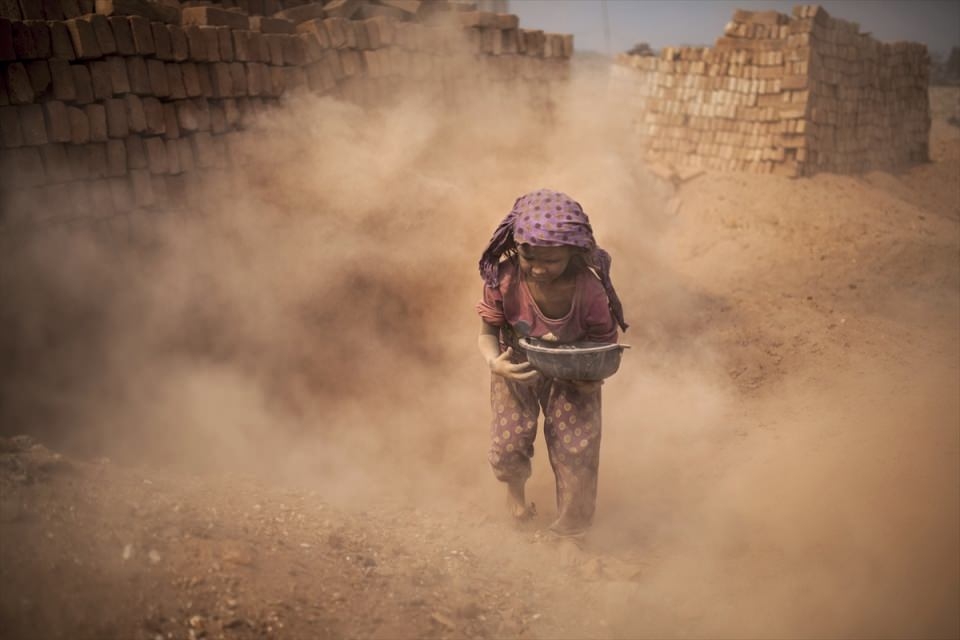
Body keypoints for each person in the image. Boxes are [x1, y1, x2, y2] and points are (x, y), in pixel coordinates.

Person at [476, 188, 628, 539]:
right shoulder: (504, 278)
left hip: (574, 374)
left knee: (577, 449)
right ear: (518, 247)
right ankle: (515, 499)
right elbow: (487, 333)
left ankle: (572, 531)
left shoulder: (589, 291)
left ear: (573, 254)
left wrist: (593, 380)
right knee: (508, 443)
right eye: (530, 257)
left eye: (552, 260)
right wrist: (494, 363)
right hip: (516, 367)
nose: (539, 268)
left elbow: (604, 346)